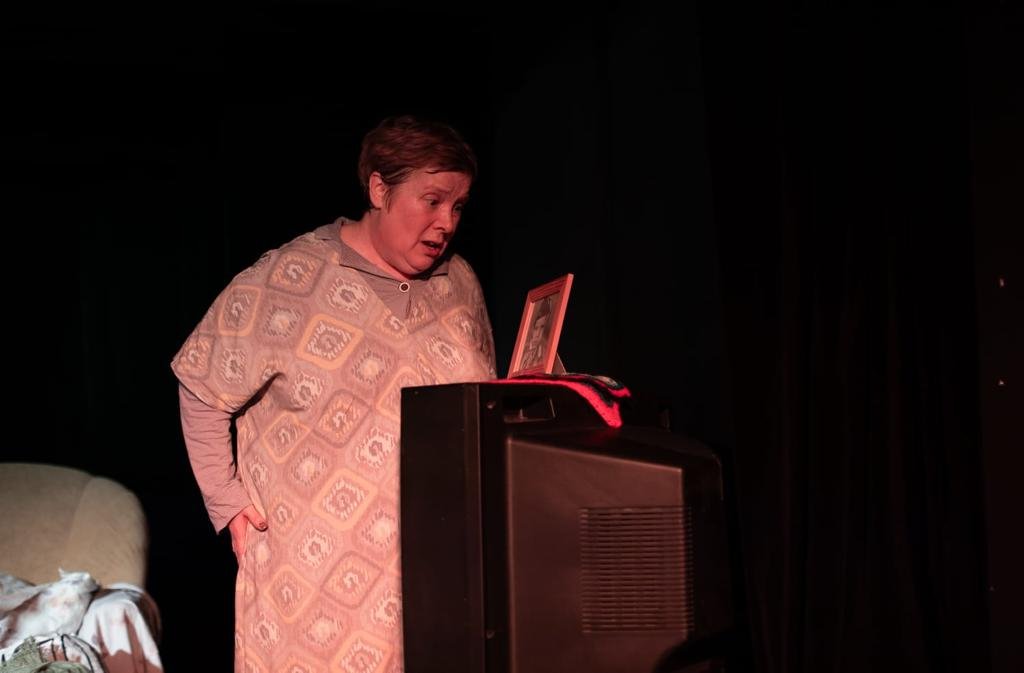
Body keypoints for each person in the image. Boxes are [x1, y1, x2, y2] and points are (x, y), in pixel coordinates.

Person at [171, 114, 496, 672]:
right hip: (313, 588)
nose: (447, 222)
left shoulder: (458, 282)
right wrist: (227, 502)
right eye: (433, 200)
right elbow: (201, 384)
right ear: (379, 189)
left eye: (459, 206)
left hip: (439, 578)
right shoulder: (285, 280)